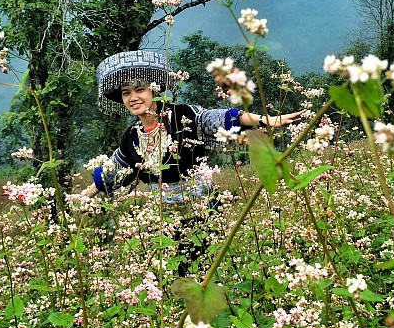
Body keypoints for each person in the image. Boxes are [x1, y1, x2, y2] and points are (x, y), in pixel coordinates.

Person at [81, 50, 303, 272]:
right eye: (126, 93)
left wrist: (266, 120)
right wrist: (86, 195)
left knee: (209, 271)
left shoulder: (182, 115)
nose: (133, 98)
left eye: (140, 89)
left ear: (154, 90)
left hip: (203, 214)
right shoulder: (131, 136)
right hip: (163, 223)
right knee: (170, 280)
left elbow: (218, 118)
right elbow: (113, 169)